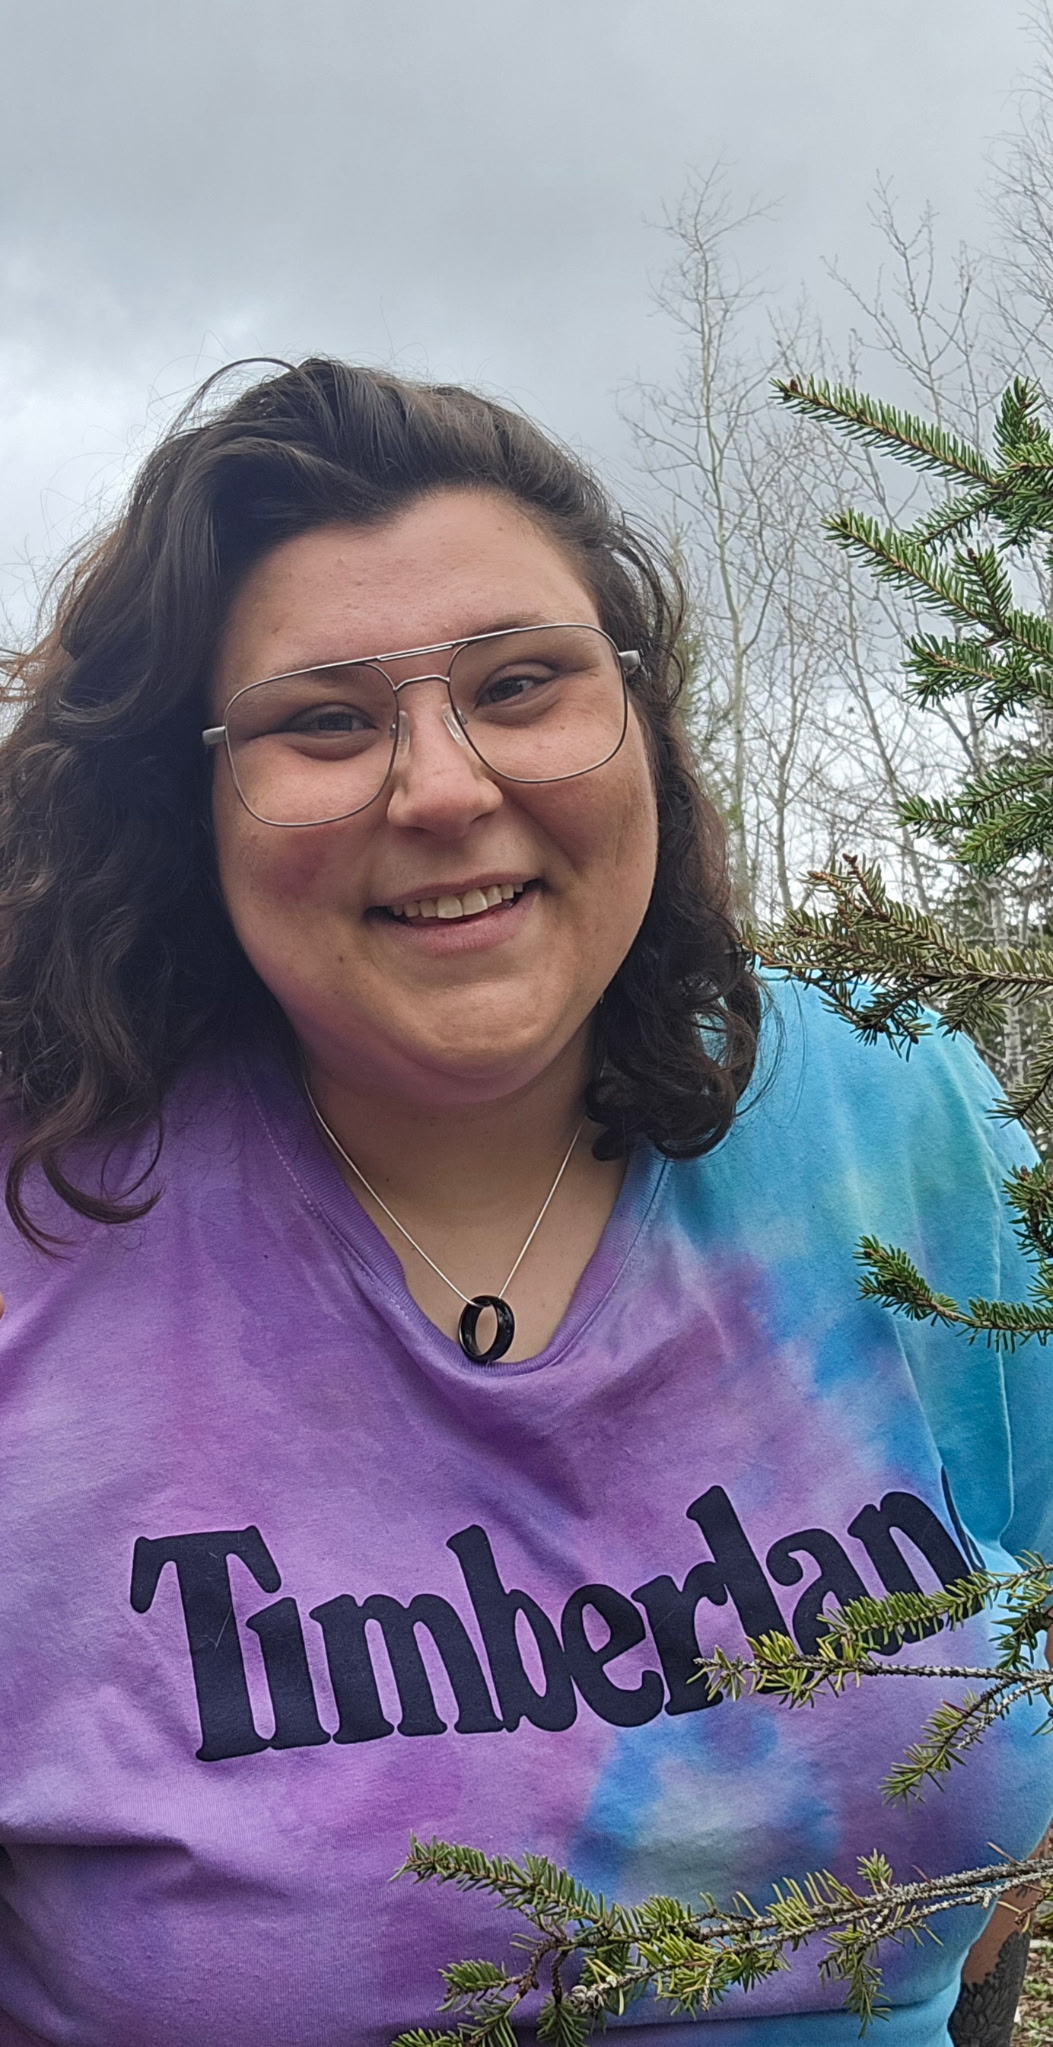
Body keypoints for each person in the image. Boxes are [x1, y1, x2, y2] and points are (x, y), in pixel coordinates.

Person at [0, 357, 1048, 2047]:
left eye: (519, 684)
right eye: (323, 720)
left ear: (635, 718)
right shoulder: (41, 1231)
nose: (441, 787)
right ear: (185, 805)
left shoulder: (895, 1117)